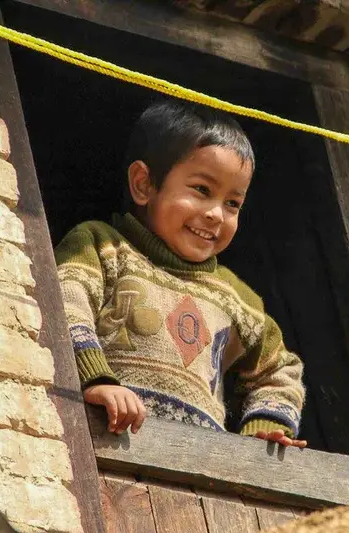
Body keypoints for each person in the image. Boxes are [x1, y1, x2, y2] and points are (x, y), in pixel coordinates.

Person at [55, 100, 307, 448]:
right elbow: (66, 302)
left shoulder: (239, 298)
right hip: (111, 441)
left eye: (232, 203)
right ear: (143, 184)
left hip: (199, 465)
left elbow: (280, 369)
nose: (216, 214)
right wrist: (96, 380)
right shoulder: (100, 246)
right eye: (202, 190)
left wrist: (261, 431)